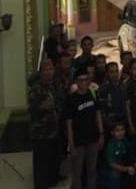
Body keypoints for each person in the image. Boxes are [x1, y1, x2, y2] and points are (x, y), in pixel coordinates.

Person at [65, 72, 105, 189]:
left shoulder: (92, 94)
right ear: (76, 82)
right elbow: (69, 122)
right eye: (81, 80)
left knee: (92, 170)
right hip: (78, 141)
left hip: (93, 138)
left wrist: (101, 134)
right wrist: (71, 143)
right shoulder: (72, 99)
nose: (83, 82)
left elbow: (98, 114)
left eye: (86, 80)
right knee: (77, 172)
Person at [29, 59, 60, 189]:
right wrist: (43, 106)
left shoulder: (55, 85)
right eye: (45, 69)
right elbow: (32, 108)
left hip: (54, 129)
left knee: (53, 158)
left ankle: (52, 179)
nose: (48, 72)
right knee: (41, 162)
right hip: (41, 132)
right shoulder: (36, 88)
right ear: (41, 72)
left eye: (50, 69)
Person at [103, 121, 135, 189]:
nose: (121, 132)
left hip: (122, 167)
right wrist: (126, 169)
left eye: (122, 129)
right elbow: (112, 164)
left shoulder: (125, 140)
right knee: (115, 175)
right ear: (112, 133)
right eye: (117, 130)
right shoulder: (110, 144)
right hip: (109, 170)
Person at [98, 62, 127, 131]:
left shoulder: (124, 85)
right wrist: (108, 123)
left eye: (116, 71)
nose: (115, 74)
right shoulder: (103, 88)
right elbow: (102, 109)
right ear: (107, 73)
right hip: (111, 124)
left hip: (124, 120)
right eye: (112, 72)